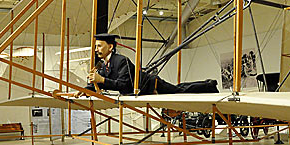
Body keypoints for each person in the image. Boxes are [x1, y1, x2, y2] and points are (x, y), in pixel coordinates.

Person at [84, 33, 218, 96]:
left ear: (111, 47)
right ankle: (207, 84)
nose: (96, 50)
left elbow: (123, 84)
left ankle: (209, 85)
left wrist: (102, 79)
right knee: (178, 88)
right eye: (96, 47)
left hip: (152, 84)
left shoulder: (121, 61)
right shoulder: (103, 64)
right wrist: (85, 89)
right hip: (144, 90)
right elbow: (98, 81)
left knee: (179, 90)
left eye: (99, 46)